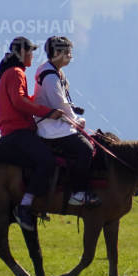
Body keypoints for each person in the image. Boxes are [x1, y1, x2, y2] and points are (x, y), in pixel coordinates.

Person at [0, 36, 56, 231]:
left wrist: (42, 100)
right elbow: (19, 102)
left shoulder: (9, 73)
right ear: (21, 53)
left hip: (12, 131)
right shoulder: (17, 73)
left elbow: (23, 100)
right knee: (47, 160)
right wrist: (48, 112)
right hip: (18, 132)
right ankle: (26, 205)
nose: (32, 56)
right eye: (30, 52)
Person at [35, 35, 99, 207]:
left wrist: (75, 117)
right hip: (51, 127)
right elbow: (60, 104)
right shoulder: (50, 76)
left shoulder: (54, 71)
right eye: (67, 52)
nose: (70, 55)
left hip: (60, 122)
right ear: (56, 53)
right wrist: (77, 120)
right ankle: (77, 192)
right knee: (85, 149)